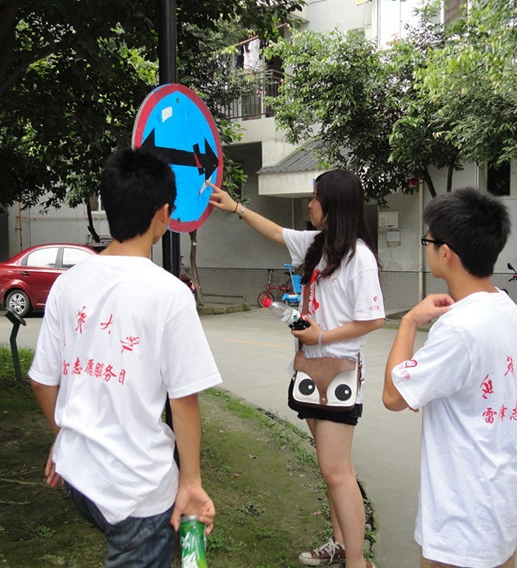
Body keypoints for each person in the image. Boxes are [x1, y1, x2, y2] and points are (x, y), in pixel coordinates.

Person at [28, 148, 222, 567]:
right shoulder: (170, 294)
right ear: (163, 214)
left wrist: (66, 438)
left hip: (77, 476)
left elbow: (43, 381)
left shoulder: (68, 284)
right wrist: (191, 482)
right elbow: (183, 400)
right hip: (136, 493)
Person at [208, 170, 384, 568]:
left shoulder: (359, 258)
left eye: (316, 197)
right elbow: (275, 231)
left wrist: (323, 336)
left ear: (335, 204)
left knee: (336, 471)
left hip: (338, 372)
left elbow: (373, 319)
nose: (310, 203)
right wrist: (236, 208)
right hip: (308, 370)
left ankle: (358, 561)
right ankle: (340, 544)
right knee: (331, 469)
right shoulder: (317, 245)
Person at [382, 187, 517, 568]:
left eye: (428, 241)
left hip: (461, 519)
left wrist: (409, 322)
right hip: (502, 507)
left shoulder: (458, 328)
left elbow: (394, 396)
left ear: (446, 253)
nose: (427, 248)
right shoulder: (510, 312)